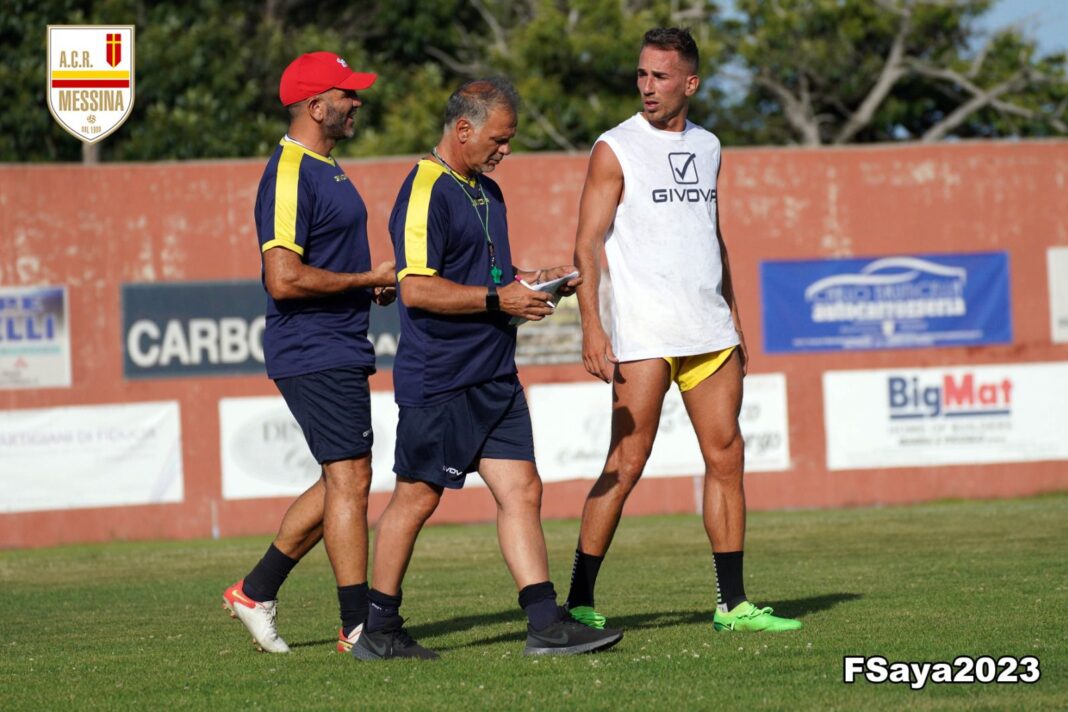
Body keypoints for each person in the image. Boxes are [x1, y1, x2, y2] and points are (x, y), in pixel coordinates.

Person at [350, 78, 623, 660]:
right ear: (464, 129)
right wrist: (503, 301)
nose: (505, 150)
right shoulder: (424, 189)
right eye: (499, 139)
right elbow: (417, 288)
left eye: (511, 140)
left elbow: (486, 276)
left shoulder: (488, 192)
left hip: (494, 374)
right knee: (417, 498)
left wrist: (532, 281)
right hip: (441, 377)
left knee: (522, 489)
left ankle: (546, 624)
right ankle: (377, 628)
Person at [566, 28, 802, 634]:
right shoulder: (613, 148)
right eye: (642, 75)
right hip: (645, 334)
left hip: (711, 333)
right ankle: (579, 601)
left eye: (661, 76)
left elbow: (711, 234)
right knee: (626, 461)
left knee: (727, 458)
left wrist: (735, 317)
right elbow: (588, 241)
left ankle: (733, 604)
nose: (647, 87)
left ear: (690, 83)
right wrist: (592, 324)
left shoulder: (710, 145)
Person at [222, 51, 397, 654]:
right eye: (347, 94)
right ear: (315, 105)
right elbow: (283, 279)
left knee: (344, 478)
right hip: (312, 346)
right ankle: (357, 629)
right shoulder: (291, 172)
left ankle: (255, 590)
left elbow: (323, 266)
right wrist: (364, 277)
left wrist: (364, 282)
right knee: (350, 477)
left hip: (339, 342)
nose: (357, 102)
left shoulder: (329, 168)